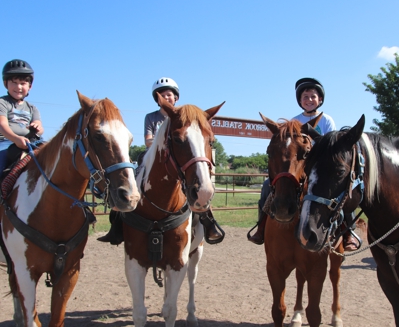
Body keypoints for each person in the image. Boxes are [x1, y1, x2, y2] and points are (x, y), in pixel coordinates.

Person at [98, 77, 225, 245]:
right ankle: (117, 223)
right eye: (163, 95)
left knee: (196, 182)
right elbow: (148, 140)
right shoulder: (151, 117)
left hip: (176, 158)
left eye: (170, 95)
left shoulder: (183, 116)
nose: (167, 98)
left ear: (176, 98)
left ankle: (208, 221)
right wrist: (161, 142)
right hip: (153, 156)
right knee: (132, 179)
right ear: (158, 100)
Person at [247, 77, 361, 251]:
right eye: (305, 97)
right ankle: (261, 227)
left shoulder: (327, 120)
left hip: (320, 166)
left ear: (320, 100)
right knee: (266, 187)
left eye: (312, 96)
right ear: (300, 101)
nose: (309, 100)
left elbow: (330, 145)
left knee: (342, 189)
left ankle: (348, 232)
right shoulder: (295, 120)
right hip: (300, 165)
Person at [0, 59, 43, 175]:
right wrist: (15, 139)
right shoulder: (2, 102)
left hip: (30, 141)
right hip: (6, 141)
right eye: (14, 82)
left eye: (23, 83)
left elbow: (40, 126)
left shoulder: (32, 108)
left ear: (30, 86)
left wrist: (37, 126)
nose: (18, 87)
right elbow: (2, 125)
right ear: (5, 83)